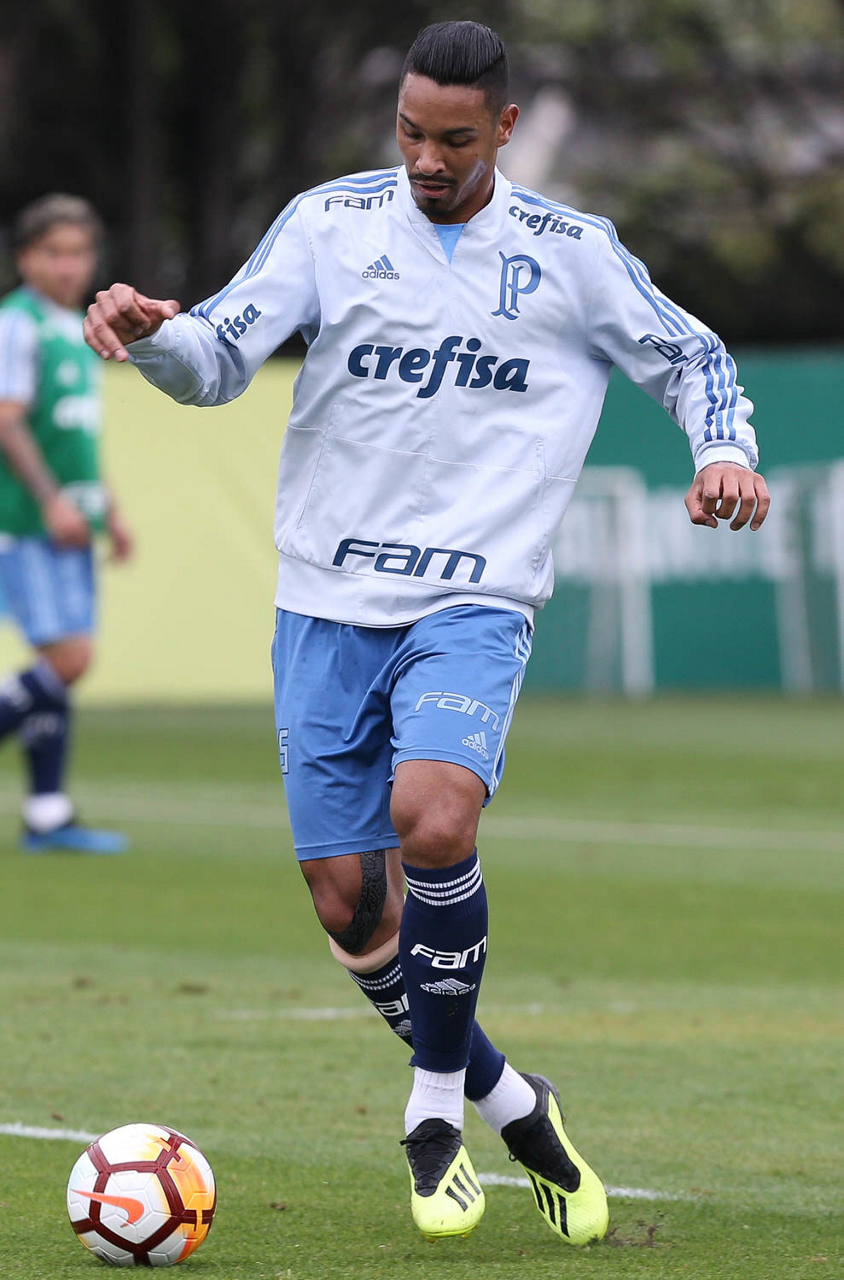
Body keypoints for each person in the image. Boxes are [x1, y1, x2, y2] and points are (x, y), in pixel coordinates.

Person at [83, 20, 770, 1243]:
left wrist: (723, 449)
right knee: (349, 905)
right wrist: (151, 336)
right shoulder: (329, 222)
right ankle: (515, 1100)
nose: (424, 160)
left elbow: (692, 356)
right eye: (408, 132)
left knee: (435, 816)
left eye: (453, 139)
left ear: (503, 128)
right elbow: (219, 356)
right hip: (324, 598)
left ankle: (434, 1109)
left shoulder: (572, 252)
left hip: (474, 596)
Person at [0, 194, 132, 854]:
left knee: (60, 662)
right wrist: (53, 501)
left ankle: (47, 813)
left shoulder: (78, 328)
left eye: (79, 252)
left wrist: (109, 507)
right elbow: (7, 419)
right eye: (54, 252)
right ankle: (47, 812)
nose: (69, 265)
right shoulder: (17, 323)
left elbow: (77, 434)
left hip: (71, 521)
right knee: (68, 659)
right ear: (26, 258)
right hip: (28, 521)